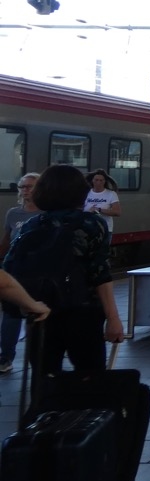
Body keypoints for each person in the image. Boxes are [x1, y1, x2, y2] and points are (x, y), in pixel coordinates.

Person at [2, 165, 124, 385]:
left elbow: (11, 266)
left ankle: (45, 407)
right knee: (90, 377)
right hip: (83, 311)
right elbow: (100, 273)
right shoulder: (91, 224)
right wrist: (113, 319)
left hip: (41, 311)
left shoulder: (31, 224)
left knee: (43, 378)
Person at [0, 173, 40, 372]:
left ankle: (39, 358)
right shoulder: (13, 214)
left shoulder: (47, 213)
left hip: (39, 272)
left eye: (30, 186)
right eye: (22, 187)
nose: (25, 190)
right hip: (15, 270)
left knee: (37, 314)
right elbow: (6, 240)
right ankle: (6, 357)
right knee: (11, 315)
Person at [83, 169, 121, 236]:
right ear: (92, 180)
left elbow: (117, 212)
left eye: (101, 180)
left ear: (104, 181)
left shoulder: (111, 194)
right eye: (96, 180)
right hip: (87, 228)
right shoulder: (86, 193)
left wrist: (99, 210)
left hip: (104, 229)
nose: (98, 182)